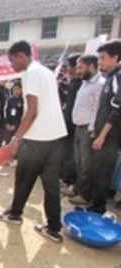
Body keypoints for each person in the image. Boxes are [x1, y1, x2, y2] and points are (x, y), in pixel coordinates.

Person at [0, 41, 68, 243]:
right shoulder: (45, 71)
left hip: (37, 138)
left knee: (24, 178)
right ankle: (53, 228)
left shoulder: (31, 73)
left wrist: (16, 139)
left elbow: (32, 111)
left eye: (12, 60)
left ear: (21, 56)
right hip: (55, 137)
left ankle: (15, 215)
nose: (11, 65)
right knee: (51, 185)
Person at [87, 40, 121, 214]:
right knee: (96, 170)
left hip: (110, 136)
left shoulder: (118, 76)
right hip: (101, 133)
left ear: (115, 57)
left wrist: (102, 135)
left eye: (103, 58)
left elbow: (117, 110)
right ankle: (94, 205)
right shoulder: (110, 76)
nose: (100, 61)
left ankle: (97, 209)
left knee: (102, 174)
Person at [66, 55, 104, 206]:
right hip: (78, 127)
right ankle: (77, 188)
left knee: (86, 164)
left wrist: (92, 128)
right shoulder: (85, 83)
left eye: (80, 67)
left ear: (91, 66)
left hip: (88, 129)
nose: (77, 71)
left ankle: (84, 194)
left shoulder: (99, 84)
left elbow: (97, 109)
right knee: (79, 162)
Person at [60, 54, 82, 192]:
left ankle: (69, 180)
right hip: (68, 123)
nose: (67, 69)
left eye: (68, 66)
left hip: (73, 125)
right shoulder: (73, 82)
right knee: (66, 152)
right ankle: (65, 178)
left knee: (71, 155)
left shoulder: (79, 83)